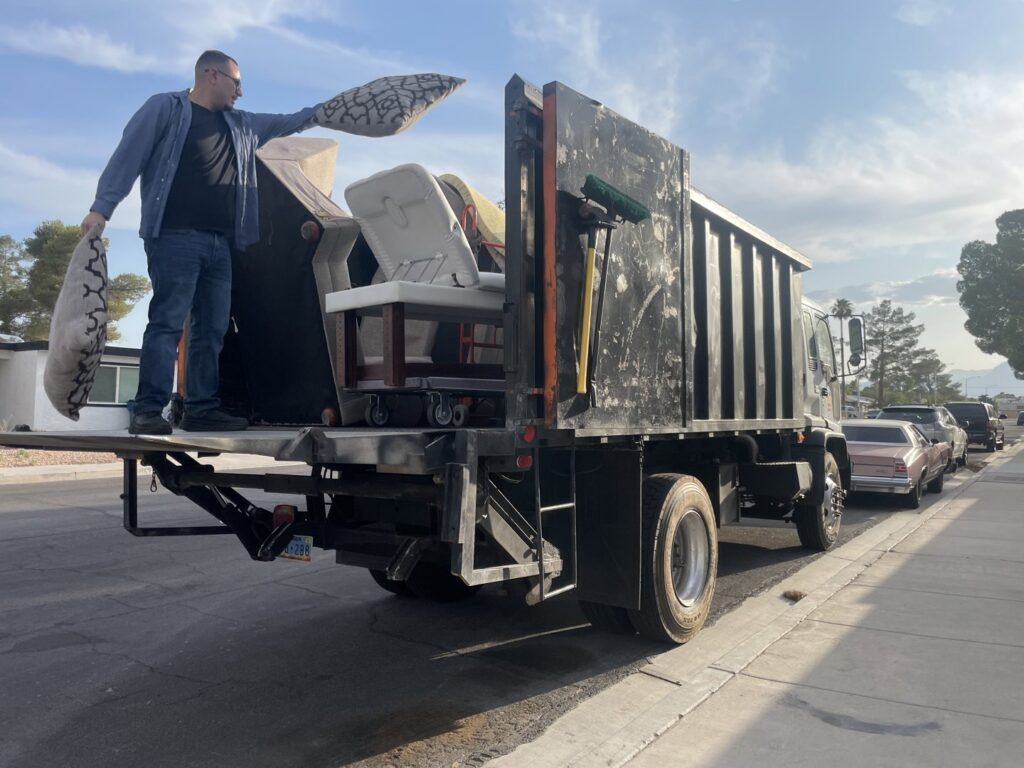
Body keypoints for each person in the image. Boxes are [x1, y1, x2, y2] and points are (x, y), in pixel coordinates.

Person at [81, 50, 321, 435]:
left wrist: (324, 110)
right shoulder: (166, 109)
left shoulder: (241, 125)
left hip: (221, 245)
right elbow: (128, 156)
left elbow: (285, 121)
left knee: (211, 329)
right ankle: (147, 409)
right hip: (174, 238)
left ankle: (201, 408)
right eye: (236, 82)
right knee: (167, 323)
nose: (240, 92)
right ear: (212, 75)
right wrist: (101, 209)